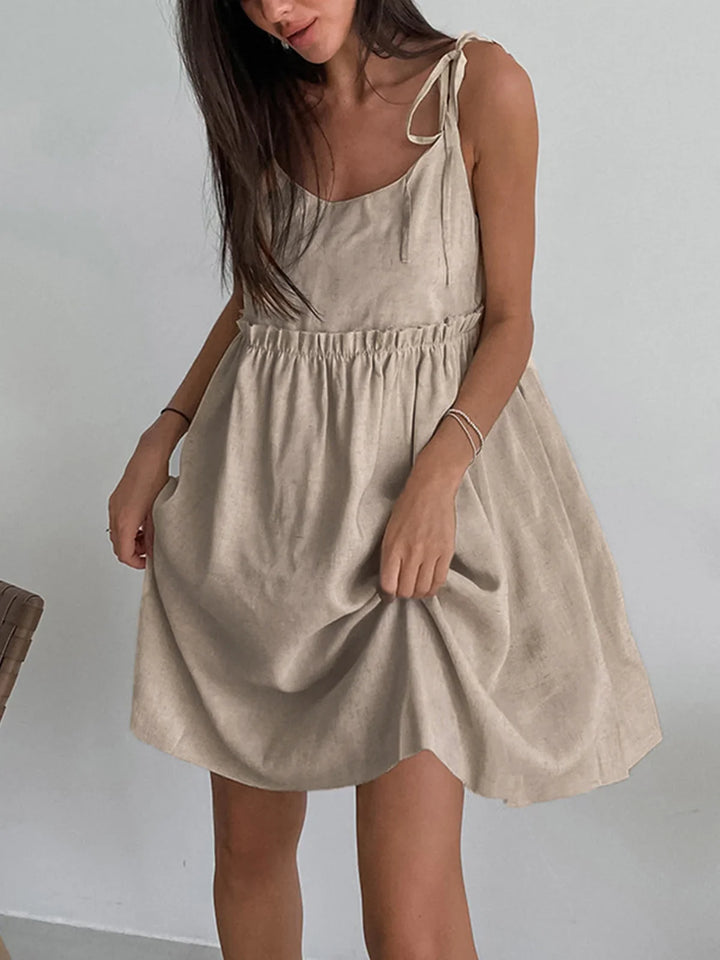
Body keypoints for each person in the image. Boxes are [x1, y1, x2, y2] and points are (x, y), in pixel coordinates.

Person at [107, 2, 663, 957]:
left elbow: (508, 319)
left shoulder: (480, 86)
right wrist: (163, 433)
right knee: (247, 858)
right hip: (263, 510)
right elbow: (261, 297)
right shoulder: (265, 106)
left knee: (407, 915)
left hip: (415, 526)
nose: (275, 8)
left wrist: (437, 478)